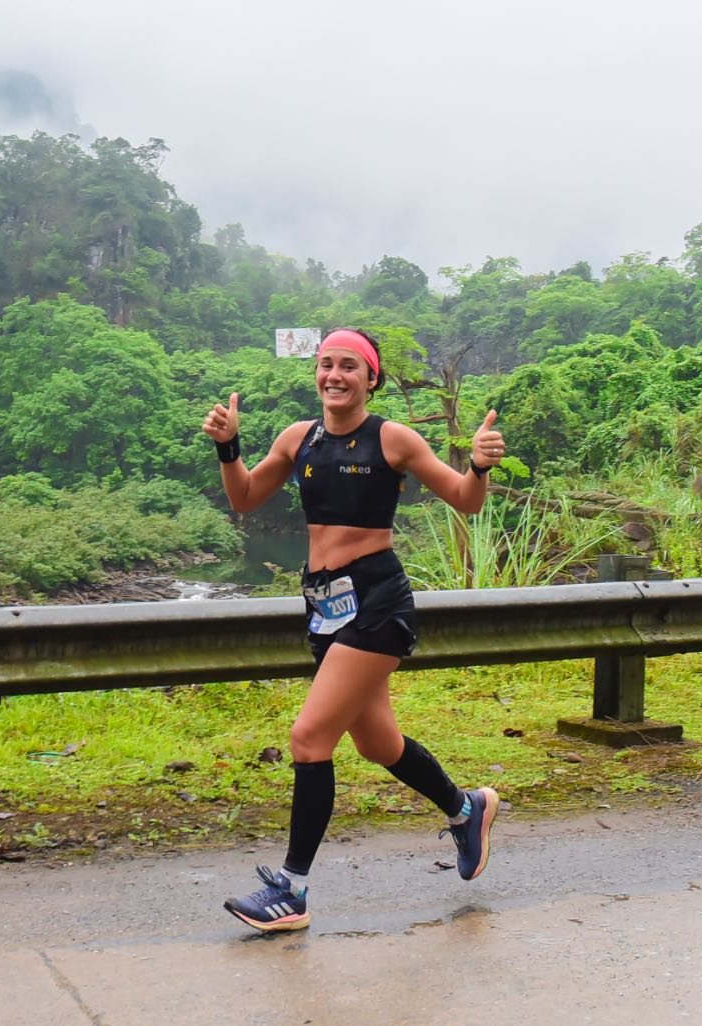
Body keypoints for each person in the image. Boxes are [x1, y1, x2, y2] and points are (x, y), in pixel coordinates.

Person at [201, 326, 506, 933]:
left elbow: (465, 500)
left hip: (376, 602)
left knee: (310, 738)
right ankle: (464, 807)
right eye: (325, 364)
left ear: (371, 379)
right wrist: (229, 449)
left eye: (348, 366)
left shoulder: (392, 439)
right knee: (376, 744)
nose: (333, 375)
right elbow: (243, 500)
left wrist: (477, 464)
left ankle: (292, 890)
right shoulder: (299, 440)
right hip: (323, 607)